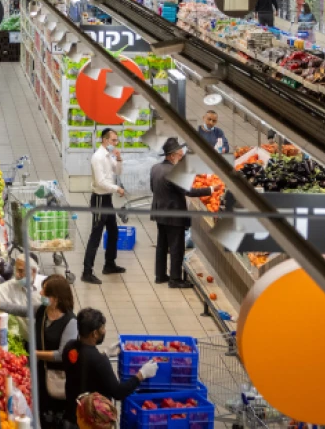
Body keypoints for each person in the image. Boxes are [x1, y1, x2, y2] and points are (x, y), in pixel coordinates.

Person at [0, 274, 77, 427]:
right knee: (41, 411)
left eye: (45, 292)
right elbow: (18, 309)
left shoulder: (70, 322)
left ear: (55, 298)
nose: (41, 294)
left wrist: (33, 353)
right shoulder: (42, 310)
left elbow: (61, 355)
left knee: (56, 417)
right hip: (39, 374)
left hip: (58, 378)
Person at [61, 309, 158, 424]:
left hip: (72, 413)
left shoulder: (69, 347)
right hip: (92, 420)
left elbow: (84, 365)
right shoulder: (99, 362)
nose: (104, 331)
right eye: (102, 328)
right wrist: (142, 374)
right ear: (94, 333)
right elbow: (118, 392)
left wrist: (105, 354)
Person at [150, 138, 218, 288]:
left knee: (162, 245)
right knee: (176, 247)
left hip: (159, 213)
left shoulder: (155, 168)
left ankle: (160, 276)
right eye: (180, 156)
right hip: (174, 215)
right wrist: (211, 189)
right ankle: (175, 279)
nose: (181, 158)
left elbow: (153, 189)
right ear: (172, 155)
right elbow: (189, 191)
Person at [83, 129, 124, 285]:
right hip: (99, 199)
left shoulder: (109, 156)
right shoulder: (98, 157)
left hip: (107, 199)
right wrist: (117, 189)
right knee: (96, 235)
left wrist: (119, 159)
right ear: (105, 140)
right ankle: (87, 272)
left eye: (116, 140)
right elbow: (100, 182)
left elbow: (117, 171)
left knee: (113, 231)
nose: (116, 143)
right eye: (113, 140)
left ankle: (109, 264)